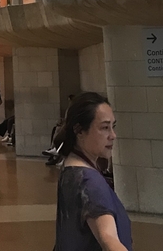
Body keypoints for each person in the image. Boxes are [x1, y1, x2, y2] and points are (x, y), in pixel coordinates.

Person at [55, 91, 132, 251]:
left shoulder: (70, 168)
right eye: (104, 128)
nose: (113, 135)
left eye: (113, 127)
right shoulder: (90, 182)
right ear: (80, 131)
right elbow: (109, 239)